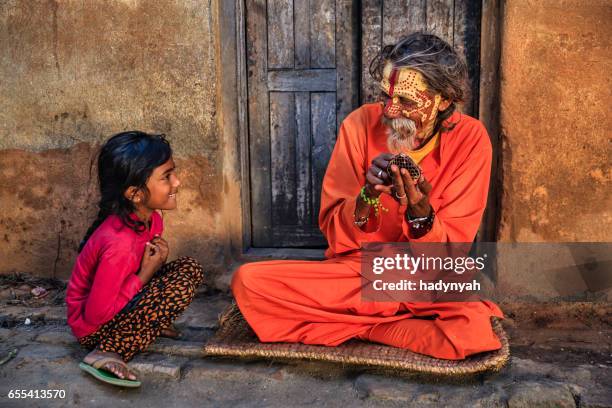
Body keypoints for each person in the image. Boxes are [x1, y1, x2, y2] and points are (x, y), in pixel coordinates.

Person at [231, 33, 504, 360]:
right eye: (386, 96)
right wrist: (367, 197)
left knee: (471, 332)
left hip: (427, 277)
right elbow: (336, 234)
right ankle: (380, 326)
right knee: (249, 283)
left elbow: (448, 254)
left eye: (406, 102)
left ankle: (359, 326)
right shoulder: (359, 125)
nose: (391, 111)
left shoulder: (471, 139)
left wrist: (420, 214)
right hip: (362, 275)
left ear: (444, 100)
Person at [66, 131, 204, 387]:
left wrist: (154, 264)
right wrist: (146, 274)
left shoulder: (152, 220)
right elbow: (97, 315)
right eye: (166, 177)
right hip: (93, 328)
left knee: (188, 269)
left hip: (119, 304)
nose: (177, 182)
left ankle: (145, 325)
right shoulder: (119, 243)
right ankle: (107, 351)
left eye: (173, 172)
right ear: (135, 194)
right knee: (180, 284)